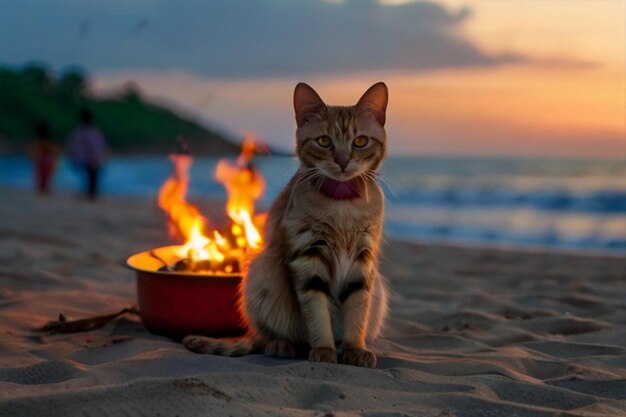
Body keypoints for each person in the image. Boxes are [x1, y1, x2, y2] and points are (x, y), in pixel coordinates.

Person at [67, 109, 107, 200]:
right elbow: (97, 147)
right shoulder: (91, 131)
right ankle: (91, 194)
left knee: (91, 177)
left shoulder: (79, 131)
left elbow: (72, 146)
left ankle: (90, 193)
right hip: (90, 158)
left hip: (84, 158)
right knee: (93, 176)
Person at [30, 121, 60, 195]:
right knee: (44, 178)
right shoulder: (48, 141)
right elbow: (56, 153)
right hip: (47, 162)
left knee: (42, 177)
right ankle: (44, 190)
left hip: (43, 162)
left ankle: (43, 190)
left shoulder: (42, 142)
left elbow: (35, 152)